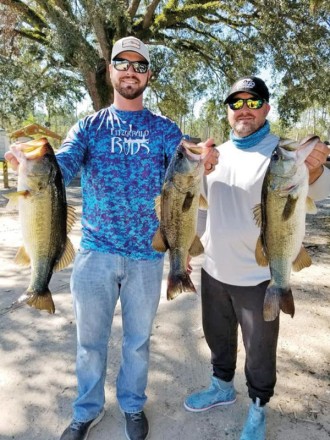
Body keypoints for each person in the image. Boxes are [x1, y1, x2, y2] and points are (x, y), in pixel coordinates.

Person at [5, 36, 218, 440]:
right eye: (123, 62)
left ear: (148, 75)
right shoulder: (89, 126)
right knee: (89, 343)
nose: (130, 71)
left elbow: (187, 169)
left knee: (138, 343)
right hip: (95, 255)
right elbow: (62, 166)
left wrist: (207, 157)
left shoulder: (163, 129)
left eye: (139, 65)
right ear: (111, 71)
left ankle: (133, 406)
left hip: (146, 256)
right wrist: (31, 166)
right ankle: (86, 410)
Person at [183, 76, 330, 439]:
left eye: (253, 101)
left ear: (266, 107)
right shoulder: (215, 155)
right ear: (228, 111)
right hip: (215, 269)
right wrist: (189, 245)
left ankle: (259, 406)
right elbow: (201, 207)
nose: (244, 109)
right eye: (236, 103)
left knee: (260, 351)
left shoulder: (284, 152)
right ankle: (221, 387)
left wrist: (316, 170)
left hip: (259, 276)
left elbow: (322, 190)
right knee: (218, 338)